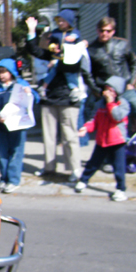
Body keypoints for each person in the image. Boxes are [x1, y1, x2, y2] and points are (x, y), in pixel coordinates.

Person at [84, 17, 136, 159]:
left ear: (113, 31)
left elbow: (133, 62)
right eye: (101, 30)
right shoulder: (92, 50)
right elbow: (87, 73)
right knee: (108, 128)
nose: (104, 33)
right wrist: (98, 92)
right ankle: (109, 160)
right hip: (108, 94)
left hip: (126, 90)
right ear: (97, 30)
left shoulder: (122, 44)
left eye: (108, 31)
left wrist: (131, 81)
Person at [25, 16, 89, 180]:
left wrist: (57, 61)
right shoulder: (51, 56)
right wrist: (32, 31)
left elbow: (72, 65)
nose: (56, 47)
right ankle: (49, 167)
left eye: (59, 43)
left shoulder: (75, 55)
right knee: (48, 136)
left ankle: (75, 170)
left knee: (70, 137)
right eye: (54, 43)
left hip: (69, 99)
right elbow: (35, 51)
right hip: (50, 98)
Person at [74, 76, 131, 202]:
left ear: (117, 92)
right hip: (102, 140)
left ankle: (121, 189)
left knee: (119, 167)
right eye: (106, 89)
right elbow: (94, 120)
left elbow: (117, 117)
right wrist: (86, 128)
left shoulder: (123, 104)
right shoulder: (99, 104)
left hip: (117, 141)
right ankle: (83, 181)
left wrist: (111, 103)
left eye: (110, 90)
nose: (107, 93)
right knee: (93, 163)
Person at [0, 58, 39, 193]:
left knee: (16, 153)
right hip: (2, 127)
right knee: (2, 153)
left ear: (11, 72)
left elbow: (35, 99)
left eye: (4, 72)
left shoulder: (21, 84)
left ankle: (14, 180)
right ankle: (4, 178)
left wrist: (30, 92)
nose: (1, 75)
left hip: (18, 126)